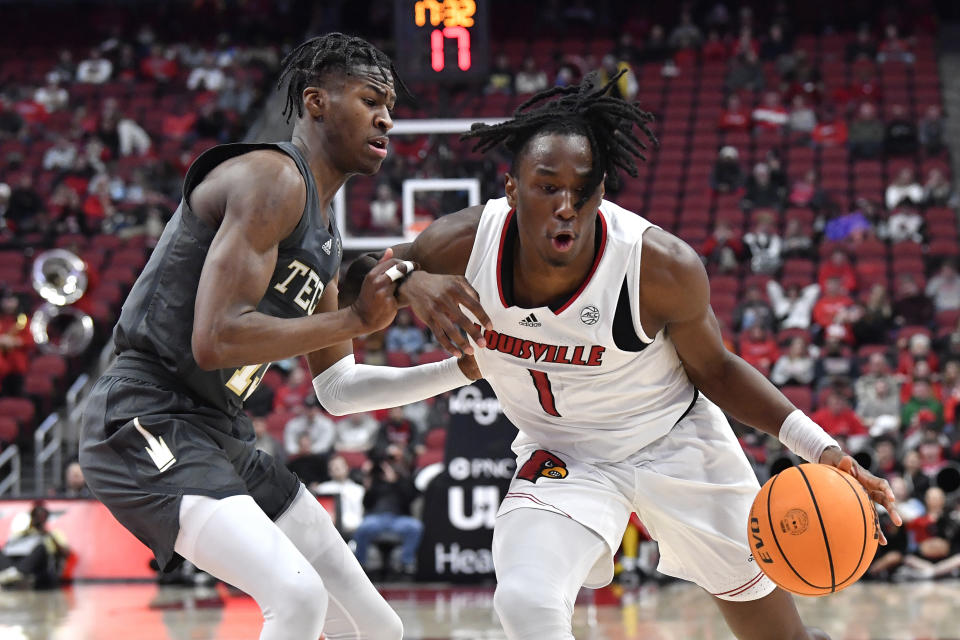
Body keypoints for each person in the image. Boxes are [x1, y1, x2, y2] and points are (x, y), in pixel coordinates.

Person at [339, 73, 898, 640]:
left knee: (779, 635)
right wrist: (407, 283)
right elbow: (355, 276)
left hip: (676, 442)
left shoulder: (658, 266)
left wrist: (819, 447)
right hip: (566, 454)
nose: (565, 206)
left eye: (582, 190)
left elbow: (718, 369)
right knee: (527, 602)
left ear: (602, 192)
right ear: (511, 188)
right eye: (546, 187)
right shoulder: (461, 246)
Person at [78, 34, 492, 640]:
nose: (386, 117)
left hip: (219, 431)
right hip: (147, 417)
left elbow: (339, 389)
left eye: (392, 107)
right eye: (370, 99)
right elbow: (214, 340)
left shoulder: (323, 237)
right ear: (316, 101)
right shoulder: (273, 178)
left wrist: (461, 370)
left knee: (376, 627)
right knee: (295, 597)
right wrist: (354, 320)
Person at [0, 502, 70, 589]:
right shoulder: (23, 533)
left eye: (41, 518)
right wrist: (27, 532)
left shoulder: (54, 534)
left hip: (40, 571)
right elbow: (9, 549)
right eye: (35, 517)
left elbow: (66, 553)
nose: (38, 520)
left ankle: (18, 573)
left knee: (40, 547)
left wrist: (49, 536)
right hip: (19, 564)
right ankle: (11, 574)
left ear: (46, 519)